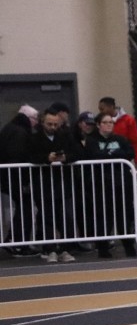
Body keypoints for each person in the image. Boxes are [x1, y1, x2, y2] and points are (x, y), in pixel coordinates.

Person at [29, 108, 82, 263]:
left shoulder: (65, 136)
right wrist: (47, 158)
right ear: (42, 122)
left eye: (55, 124)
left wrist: (65, 158)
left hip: (63, 183)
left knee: (66, 217)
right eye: (49, 124)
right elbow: (29, 156)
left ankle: (65, 249)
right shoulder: (34, 138)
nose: (53, 127)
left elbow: (78, 153)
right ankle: (50, 249)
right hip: (43, 184)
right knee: (47, 217)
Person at [84, 113, 136, 259]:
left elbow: (129, 152)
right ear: (98, 125)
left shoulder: (120, 139)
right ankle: (103, 248)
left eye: (111, 122)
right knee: (103, 217)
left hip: (121, 184)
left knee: (123, 216)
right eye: (105, 122)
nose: (109, 125)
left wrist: (110, 153)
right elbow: (95, 155)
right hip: (102, 185)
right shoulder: (92, 140)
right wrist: (114, 154)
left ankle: (129, 246)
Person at [0, 106, 39, 257]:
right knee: (26, 207)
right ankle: (17, 242)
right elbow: (17, 156)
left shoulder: (9, 128)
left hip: (8, 176)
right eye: (35, 119)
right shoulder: (20, 132)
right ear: (29, 118)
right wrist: (24, 181)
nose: (36, 123)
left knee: (23, 207)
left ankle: (15, 240)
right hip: (16, 178)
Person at [97, 97, 137, 166]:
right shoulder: (99, 121)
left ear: (111, 107)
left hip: (124, 159)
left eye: (102, 109)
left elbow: (135, 141)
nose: (100, 112)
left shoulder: (128, 120)